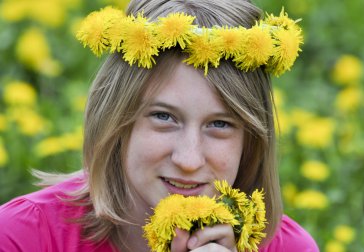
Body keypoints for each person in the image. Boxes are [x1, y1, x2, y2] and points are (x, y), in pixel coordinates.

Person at [0, 0, 319, 251]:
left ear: (250, 140)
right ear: (115, 120)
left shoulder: (289, 248)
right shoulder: (22, 237)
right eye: (164, 117)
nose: (189, 160)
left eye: (219, 123)